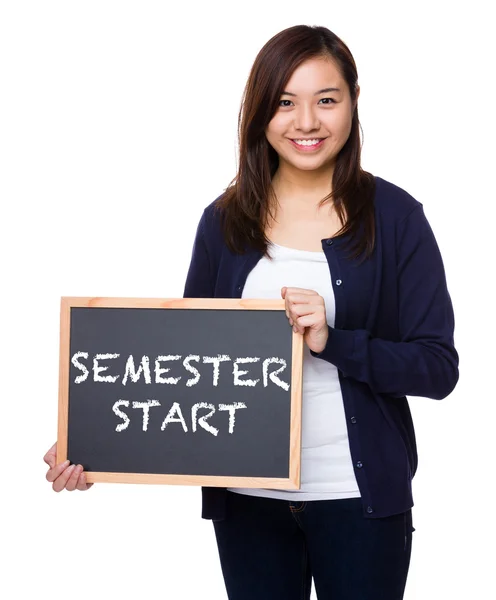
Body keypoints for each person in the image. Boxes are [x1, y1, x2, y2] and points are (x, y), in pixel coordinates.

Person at [45, 24, 459, 600]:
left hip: (359, 501)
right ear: (261, 110)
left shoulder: (397, 217)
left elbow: (438, 368)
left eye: (326, 100)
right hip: (248, 506)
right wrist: (96, 443)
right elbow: (180, 367)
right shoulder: (224, 222)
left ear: (354, 103)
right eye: (285, 102)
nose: (306, 122)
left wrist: (333, 341)